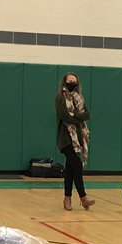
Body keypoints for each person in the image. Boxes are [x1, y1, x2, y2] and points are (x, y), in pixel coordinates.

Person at [55, 73, 94, 211]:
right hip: (65, 138)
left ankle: (67, 199)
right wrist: (77, 117)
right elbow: (65, 116)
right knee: (77, 164)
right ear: (64, 82)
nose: (72, 83)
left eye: (74, 82)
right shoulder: (60, 98)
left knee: (70, 169)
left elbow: (87, 115)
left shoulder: (79, 98)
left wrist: (75, 114)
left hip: (77, 138)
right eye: (70, 81)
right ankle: (83, 198)